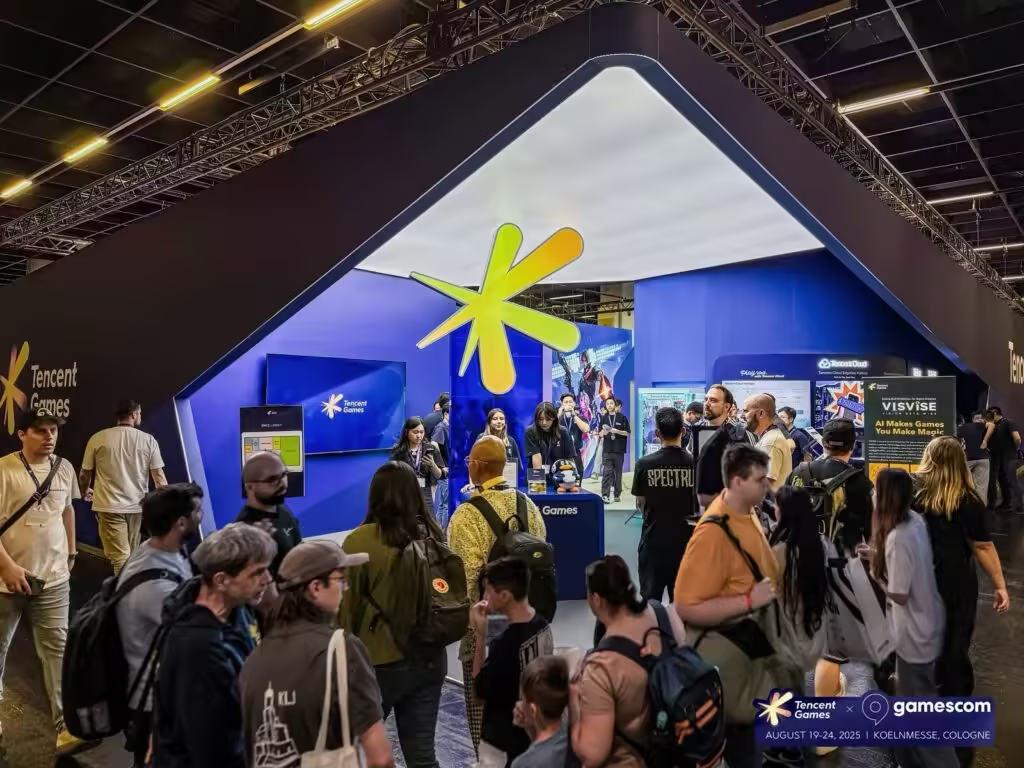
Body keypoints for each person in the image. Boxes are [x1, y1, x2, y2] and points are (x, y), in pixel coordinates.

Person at [674, 444, 786, 768]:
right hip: (729, 669)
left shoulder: (747, 511)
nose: (767, 487)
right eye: (760, 480)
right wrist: (750, 600)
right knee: (742, 749)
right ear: (737, 481)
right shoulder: (713, 533)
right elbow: (686, 606)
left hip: (750, 659)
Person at [239, 540, 393, 768]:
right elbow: (380, 757)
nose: (344, 589)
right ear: (315, 588)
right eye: (340, 580)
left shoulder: (253, 662)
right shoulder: (342, 650)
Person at [340, 462, 447, 768]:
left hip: (378, 663)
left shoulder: (360, 541)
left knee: (361, 753)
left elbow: (346, 611)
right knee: (422, 756)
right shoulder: (435, 535)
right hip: (430, 657)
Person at [913, 437, 1009, 766]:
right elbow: (982, 546)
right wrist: (1000, 586)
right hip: (954, 583)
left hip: (916, 581)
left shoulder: (914, 495)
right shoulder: (968, 501)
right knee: (954, 647)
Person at [449, 436, 547, 753]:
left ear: (477, 466)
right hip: (528, 629)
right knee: (530, 721)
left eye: (470, 461)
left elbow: (466, 582)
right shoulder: (528, 505)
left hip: (485, 638)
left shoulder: (466, 515)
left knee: (485, 729)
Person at [151, 522, 276, 768]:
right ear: (221, 580)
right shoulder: (197, 649)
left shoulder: (237, 608)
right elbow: (208, 743)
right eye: (257, 573)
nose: (268, 579)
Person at [0, 406, 81, 751]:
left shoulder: (64, 468)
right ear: (22, 434)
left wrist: (71, 553)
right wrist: (6, 567)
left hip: (53, 579)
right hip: (6, 582)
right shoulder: (4, 470)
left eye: (53, 430)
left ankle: (65, 725)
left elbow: (67, 510)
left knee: (56, 650)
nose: (49, 437)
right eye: (40, 431)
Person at [867, 469, 958, 768]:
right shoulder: (915, 521)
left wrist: (875, 575)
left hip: (913, 635)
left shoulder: (897, 538)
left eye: (876, 490)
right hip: (927, 622)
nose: (873, 494)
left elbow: (899, 594)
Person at [786, 417, 874, 701]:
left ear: (823, 442)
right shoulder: (860, 484)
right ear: (853, 445)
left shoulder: (799, 473)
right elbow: (871, 535)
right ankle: (824, 713)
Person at [571, 555, 687, 767]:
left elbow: (593, 754)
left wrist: (574, 698)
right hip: (678, 748)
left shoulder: (602, 666)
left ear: (596, 599)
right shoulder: (668, 616)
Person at [117, 483, 203, 767]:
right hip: (153, 701)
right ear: (181, 523)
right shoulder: (155, 585)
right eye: (197, 511)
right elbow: (193, 637)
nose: (201, 516)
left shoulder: (160, 550)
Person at [471, 557, 554, 767]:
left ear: (505, 596)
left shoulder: (505, 646)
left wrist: (479, 636)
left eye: (488, 591)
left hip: (503, 744)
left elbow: (478, 694)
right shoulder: (541, 624)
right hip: (532, 737)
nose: (485, 597)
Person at [80, 399, 167, 574]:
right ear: (134, 414)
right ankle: (128, 587)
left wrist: (84, 491)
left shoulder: (98, 438)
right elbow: (159, 477)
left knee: (121, 557)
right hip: (137, 506)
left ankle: (125, 588)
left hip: (108, 506)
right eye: (139, 413)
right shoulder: (148, 440)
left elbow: (84, 474)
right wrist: (166, 504)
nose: (140, 416)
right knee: (128, 555)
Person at [630, 406, 697, 602]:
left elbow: (640, 503)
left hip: (654, 543)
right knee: (683, 603)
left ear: (657, 434)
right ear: (683, 431)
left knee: (651, 603)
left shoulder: (644, 464)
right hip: (686, 544)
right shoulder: (696, 463)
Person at [769, 486, 832, 670]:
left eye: (777, 506)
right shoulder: (820, 546)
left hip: (788, 639)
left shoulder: (778, 553)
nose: (774, 509)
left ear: (784, 512)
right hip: (816, 636)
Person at [236, 452, 302, 578]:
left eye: (284, 475)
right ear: (250, 487)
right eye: (272, 480)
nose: (282, 484)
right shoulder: (245, 530)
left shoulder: (282, 510)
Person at [694, 384, 752, 508]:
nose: (707, 404)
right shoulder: (697, 431)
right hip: (701, 504)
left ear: (727, 406)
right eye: (706, 399)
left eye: (713, 400)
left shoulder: (738, 434)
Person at [511, 655, 571, 768]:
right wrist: (530, 726)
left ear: (533, 709)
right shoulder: (576, 735)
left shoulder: (523, 764)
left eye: (523, 699)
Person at [391, 417, 445, 512]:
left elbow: (439, 475)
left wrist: (433, 465)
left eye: (421, 432)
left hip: (425, 493)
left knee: (427, 519)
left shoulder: (430, 449)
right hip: (404, 493)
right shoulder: (399, 451)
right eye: (415, 432)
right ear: (406, 432)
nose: (419, 435)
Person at [743, 393, 792, 493]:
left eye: (746, 411)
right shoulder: (768, 437)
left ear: (761, 413)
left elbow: (765, 483)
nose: (742, 416)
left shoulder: (770, 442)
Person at [523, 402, 575, 476]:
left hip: (559, 476)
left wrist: (572, 476)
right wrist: (538, 481)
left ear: (554, 418)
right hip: (536, 475)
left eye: (548, 419)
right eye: (541, 419)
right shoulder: (530, 431)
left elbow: (569, 457)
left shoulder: (563, 431)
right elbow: (536, 457)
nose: (544, 423)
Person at [986, 406, 1020, 511]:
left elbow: (1017, 438)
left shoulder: (1008, 423)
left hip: (1008, 457)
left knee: (1011, 480)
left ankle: (1019, 505)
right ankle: (1006, 503)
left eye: (990, 415)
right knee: (1002, 480)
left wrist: (1014, 449)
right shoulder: (993, 426)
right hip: (997, 457)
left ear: (995, 414)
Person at [957, 411, 993, 507]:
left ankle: (962, 505)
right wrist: (985, 441)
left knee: (962, 483)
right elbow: (992, 425)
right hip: (983, 459)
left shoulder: (962, 428)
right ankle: (981, 507)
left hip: (967, 459)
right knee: (981, 486)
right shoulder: (982, 426)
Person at [599, 398, 631, 503]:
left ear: (615, 405)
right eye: (607, 404)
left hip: (619, 450)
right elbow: (600, 433)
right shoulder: (604, 418)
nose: (609, 405)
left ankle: (617, 494)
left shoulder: (622, 418)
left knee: (618, 473)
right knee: (607, 472)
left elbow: (627, 433)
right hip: (607, 450)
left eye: (611, 403)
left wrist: (617, 431)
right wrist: (604, 432)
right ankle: (605, 495)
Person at [558, 392, 591, 477]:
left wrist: (574, 416)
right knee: (560, 480)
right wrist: (559, 413)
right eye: (566, 402)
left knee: (577, 479)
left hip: (575, 453)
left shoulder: (580, 417)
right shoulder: (558, 417)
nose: (568, 404)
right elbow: (551, 429)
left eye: (570, 402)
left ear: (574, 403)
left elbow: (586, 429)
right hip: (559, 453)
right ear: (561, 404)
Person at [431, 404, 451, 528]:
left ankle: (439, 530)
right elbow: (434, 444)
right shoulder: (441, 427)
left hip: (447, 471)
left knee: (443, 504)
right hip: (444, 471)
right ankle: (443, 532)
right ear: (446, 414)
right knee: (446, 504)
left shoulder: (448, 428)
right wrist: (441, 464)